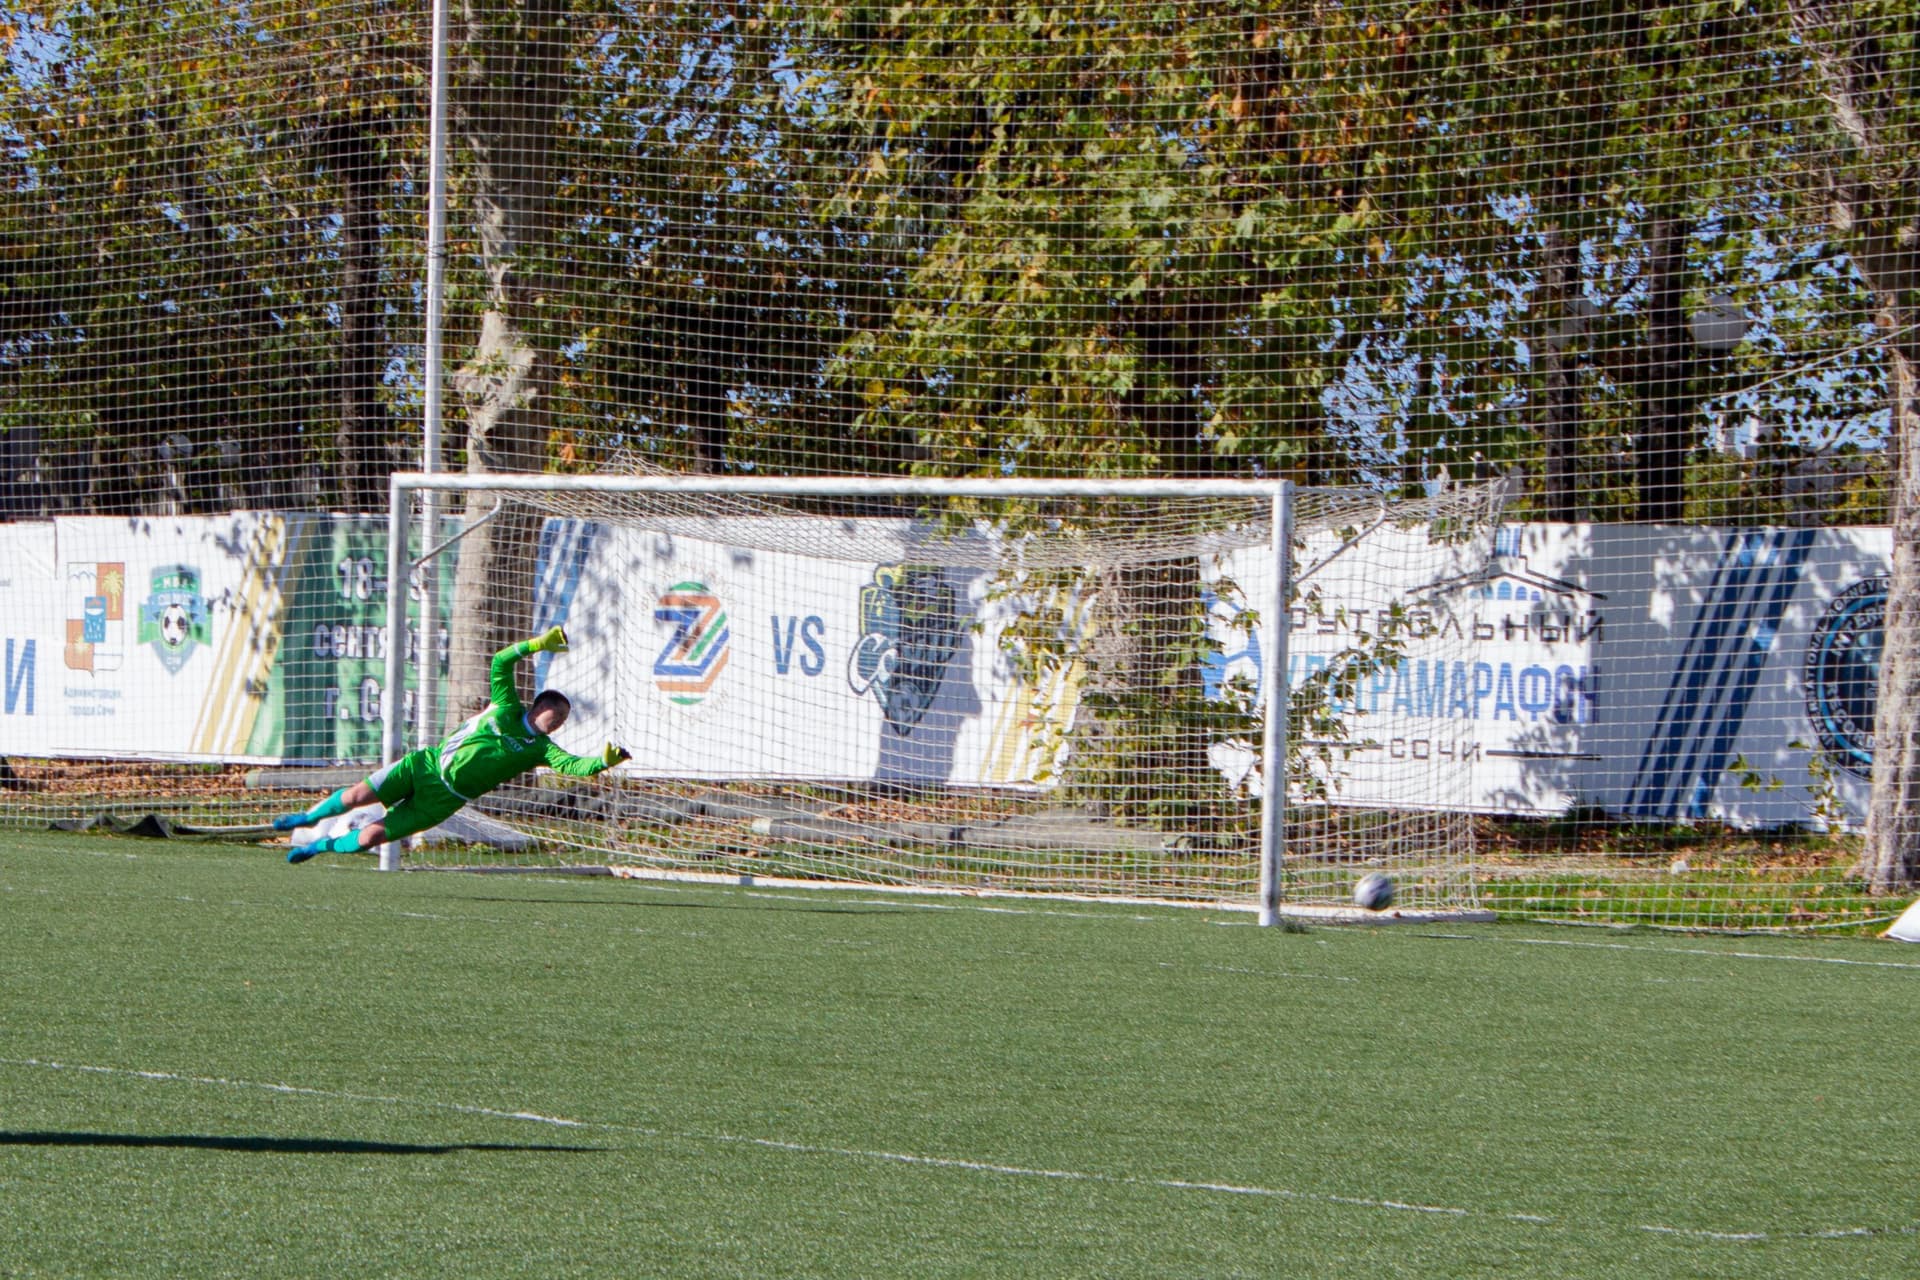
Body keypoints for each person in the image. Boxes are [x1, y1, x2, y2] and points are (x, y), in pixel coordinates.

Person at [274, 626, 628, 863]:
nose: (558, 723)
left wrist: (602, 761)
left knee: (369, 839)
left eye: (563, 720)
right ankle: (306, 818)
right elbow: (501, 661)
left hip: (444, 800)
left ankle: (319, 846)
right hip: (423, 766)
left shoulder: (541, 749)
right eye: (556, 715)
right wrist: (537, 644)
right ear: (539, 706)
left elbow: (572, 766)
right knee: (354, 797)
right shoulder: (506, 706)